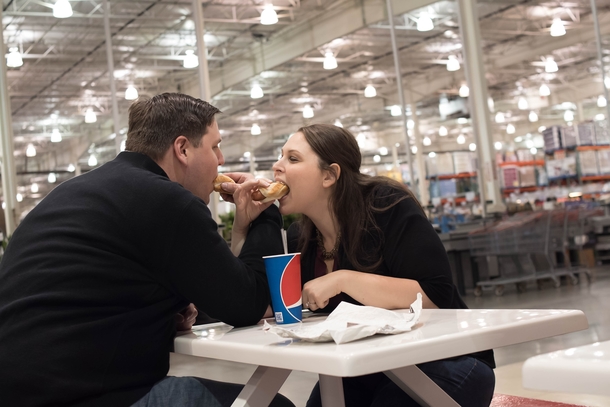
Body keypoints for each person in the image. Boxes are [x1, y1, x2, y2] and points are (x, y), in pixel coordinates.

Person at [0, 93, 294, 407]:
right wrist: (265, 210)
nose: (220, 160)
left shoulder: (80, 190)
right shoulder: (169, 202)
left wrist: (161, 310)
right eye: (214, 146)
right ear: (182, 149)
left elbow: (83, 292)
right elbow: (251, 303)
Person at [272, 124, 495, 407]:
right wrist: (245, 224)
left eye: (292, 158)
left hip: (445, 362)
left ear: (330, 175)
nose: (276, 166)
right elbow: (268, 306)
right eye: (281, 157)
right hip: (366, 370)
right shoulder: (301, 239)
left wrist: (342, 279)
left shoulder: (386, 205)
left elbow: (435, 295)